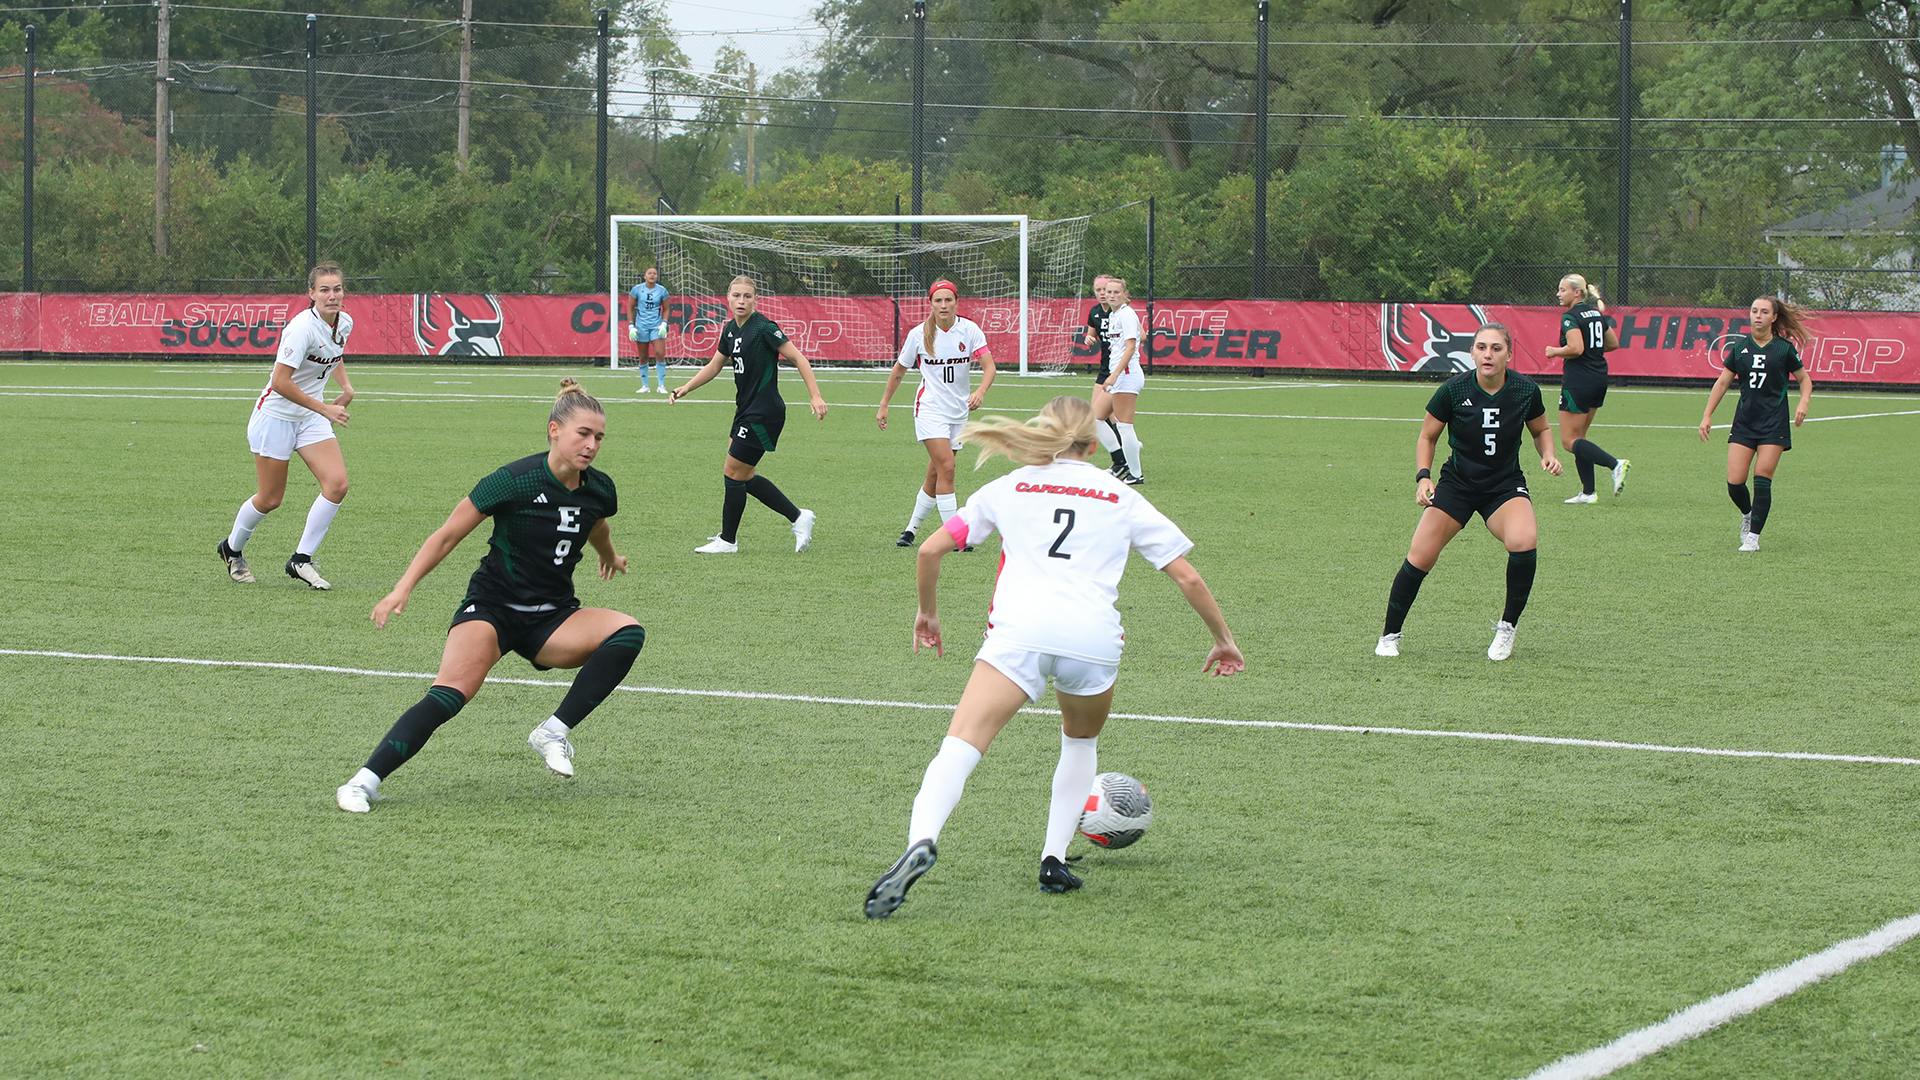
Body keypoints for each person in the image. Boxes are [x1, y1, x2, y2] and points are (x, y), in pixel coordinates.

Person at [863, 395, 1243, 919]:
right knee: (1080, 740)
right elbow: (1187, 576)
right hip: (1093, 639)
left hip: (1020, 634)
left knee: (961, 746)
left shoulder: (1009, 487)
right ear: (1093, 441)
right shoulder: (1119, 495)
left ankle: (920, 841)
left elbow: (929, 550)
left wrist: (927, 614)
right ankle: (1053, 858)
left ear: (1044, 434)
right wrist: (1222, 638)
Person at [334, 380, 644, 814]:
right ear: (554, 430)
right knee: (449, 695)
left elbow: (595, 524)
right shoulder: (513, 480)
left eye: (599, 437)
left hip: (553, 617)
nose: (591, 445)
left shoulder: (600, 488)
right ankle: (362, 782)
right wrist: (402, 588)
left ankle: (553, 732)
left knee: (627, 633)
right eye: (583, 434)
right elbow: (447, 536)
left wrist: (609, 554)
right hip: (493, 609)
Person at [1375, 324, 1562, 662]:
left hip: (1503, 486)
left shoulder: (1525, 390)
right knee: (1420, 557)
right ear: (1472, 353)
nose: (1488, 354)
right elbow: (1427, 437)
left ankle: (1507, 628)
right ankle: (1390, 634)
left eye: (1495, 348)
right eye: (1481, 347)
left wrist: (1547, 453)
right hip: (1458, 485)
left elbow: (1541, 428)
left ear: (1509, 353)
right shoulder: (1453, 390)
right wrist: (1423, 478)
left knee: (1525, 539)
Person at [216, 261, 355, 591]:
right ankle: (231, 549)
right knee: (270, 498)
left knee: (337, 484)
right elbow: (280, 381)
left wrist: (346, 388)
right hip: (276, 417)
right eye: (324, 290)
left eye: (337, 289)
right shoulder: (300, 329)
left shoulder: (345, 322)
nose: (331, 295)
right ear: (311, 294)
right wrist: (325, 408)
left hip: (308, 417)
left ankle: (301, 560)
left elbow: (333, 355)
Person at [667, 275, 828, 554]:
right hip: (745, 410)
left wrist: (815, 395)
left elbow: (799, 358)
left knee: (733, 471)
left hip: (764, 412)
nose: (741, 301)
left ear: (756, 300)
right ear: (728, 298)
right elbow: (715, 365)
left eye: (747, 296)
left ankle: (728, 540)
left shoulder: (764, 328)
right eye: (737, 296)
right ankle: (799, 517)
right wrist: (687, 387)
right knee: (744, 474)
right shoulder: (730, 330)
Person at [876, 279, 997, 546]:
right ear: (930, 303)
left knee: (936, 473)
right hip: (929, 409)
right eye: (938, 300)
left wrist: (980, 392)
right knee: (948, 467)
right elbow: (899, 371)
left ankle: (910, 529)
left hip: (958, 412)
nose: (943, 305)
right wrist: (884, 404)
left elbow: (989, 367)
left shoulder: (969, 330)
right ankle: (955, 536)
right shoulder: (918, 334)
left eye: (948, 300)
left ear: (956, 302)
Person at [1698, 296, 1814, 552]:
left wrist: (1803, 402)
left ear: (1774, 317)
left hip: (1774, 423)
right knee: (1734, 482)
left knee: (1762, 476)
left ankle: (1753, 537)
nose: (1757, 315)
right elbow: (1722, 382)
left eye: (1764, 312)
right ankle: (1748, 514)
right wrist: (1707, 415)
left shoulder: (1784, 349)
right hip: (1745, 423)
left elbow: (1805, 379)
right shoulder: (1740, 348)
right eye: (1754, 311)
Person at [1542, 273, 1630, 504]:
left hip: (1578, 381)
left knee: (1569, 441)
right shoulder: (1595, 314)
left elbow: (1576, 348)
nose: (1558, 294)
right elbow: (1613, 343)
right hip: (1599, 378)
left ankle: (1615, 464)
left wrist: (1555, 351)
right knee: (1579, 437)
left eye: (1563, 290)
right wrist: (1592, 352)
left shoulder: (1570, 317)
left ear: (1577, 293)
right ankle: (1588, 493)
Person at [1098, 278, 1147, 484]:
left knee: (1125, 426)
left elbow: (1130, 347)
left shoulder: (1126, 314)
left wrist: (1115, 373)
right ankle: (1121, 462)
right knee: (1096, 417)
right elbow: (1136, 337)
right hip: (1119, 375)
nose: (1111, 295)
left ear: (1125, 294)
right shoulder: (1115, 313)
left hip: (1126, 375)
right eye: (1108, 292)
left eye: (1116, 292)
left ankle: (1136, 475)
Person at [1078, 275, 1126, 476]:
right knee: (1100, 416)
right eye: (1098, 290)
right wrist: (1089, 338)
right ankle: (1123, 456)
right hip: (1105, 369)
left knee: (1106, 416)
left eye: (1105, 289)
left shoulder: (1121, 312)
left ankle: (1124, 457)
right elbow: (1092, 334)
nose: (1102, 293)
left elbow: (1140, 335)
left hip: (1119, 371)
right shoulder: (1095, 312)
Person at [629, 266, 670, 394]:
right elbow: (630, 308)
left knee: (659, 353)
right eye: (649, 273)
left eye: (654, 273)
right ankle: (645, 385)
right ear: (645, 276)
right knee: (643, 356)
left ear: (657, 276)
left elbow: (666, 309)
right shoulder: (637, 290)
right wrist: (631, 325)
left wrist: (664, 324)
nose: (652, 275)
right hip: (641, 327)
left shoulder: (662, 291)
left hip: (656, 326)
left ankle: (661, 385)